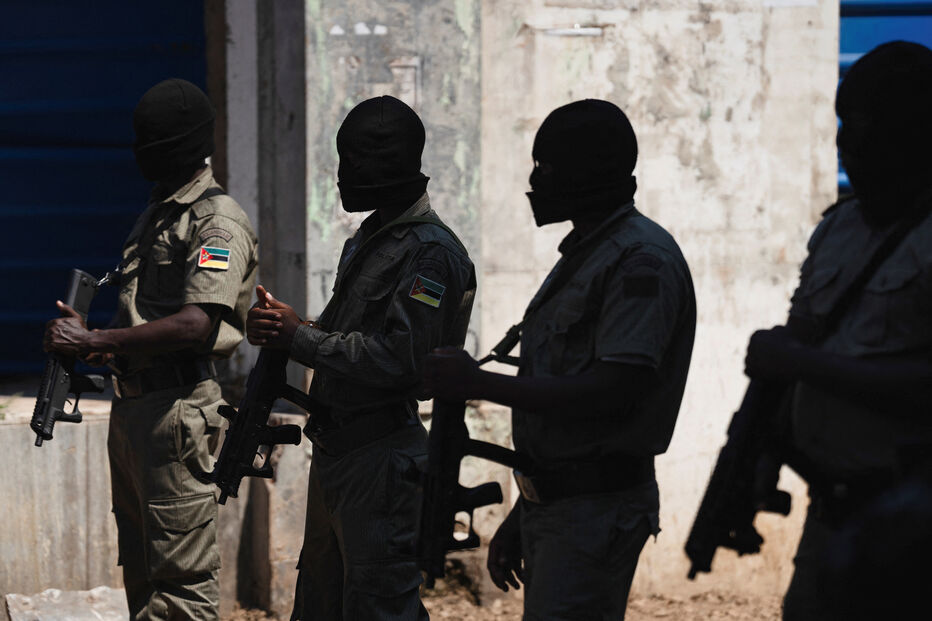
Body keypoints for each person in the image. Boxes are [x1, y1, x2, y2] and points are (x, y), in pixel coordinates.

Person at [422, 99, 696, 620]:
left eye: (546, 167)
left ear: (587, 172)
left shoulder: (640, 260)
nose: (534, 180)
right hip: (562, 505)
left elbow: (613, 391)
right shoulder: (589, 253)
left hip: (595, 511)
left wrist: (477, 382)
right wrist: (525, 511)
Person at [246, 95, 476, 620]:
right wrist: (294, 325)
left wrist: (299, 339)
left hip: (383, 462)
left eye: (350, 160)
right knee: (320, 607)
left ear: (389, 160)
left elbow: (402, 362)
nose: (340, 173)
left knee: (379, 609)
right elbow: (346, 337)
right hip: (338, 454)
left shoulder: (432, 253)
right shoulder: (371, 239)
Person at [43, 78, 258, 619]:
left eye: (152, 145)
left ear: (179, 146)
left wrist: (97, 338)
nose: (140, 157)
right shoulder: (159, 212)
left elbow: (194, 324)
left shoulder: (216, 221)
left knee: (181, 587)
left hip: (178, 414)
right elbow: (151, 317)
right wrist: (100, 347)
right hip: (138, 410)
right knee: (143, 573)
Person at [741, 41, 932, 620]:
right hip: (831, 518)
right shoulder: (840, 228)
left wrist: (802, 365)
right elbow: (794, 345)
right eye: (845, 124)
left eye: (870, 126)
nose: (848, 141)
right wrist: (753, 461)